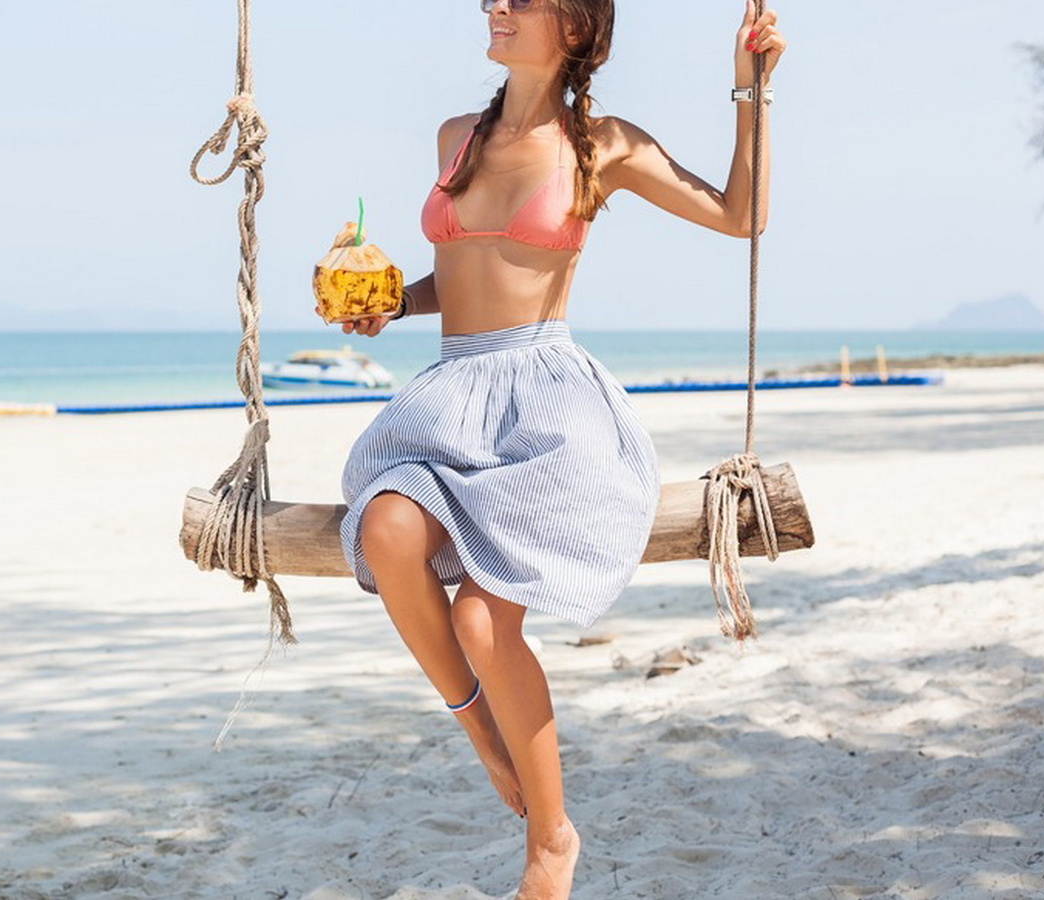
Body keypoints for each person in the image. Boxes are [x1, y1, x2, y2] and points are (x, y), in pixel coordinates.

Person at [334, 1, 784, 897]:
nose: (496, 6)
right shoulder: (456, 137)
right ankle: (483, 734)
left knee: (479, 619)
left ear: (575, 29)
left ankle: (550, 841)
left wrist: (752, 90)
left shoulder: (602, 147)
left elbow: (742, 216)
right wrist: (392, 302)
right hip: (450, 398)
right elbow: (461, 275)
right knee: (385, 528)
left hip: (548, 404)